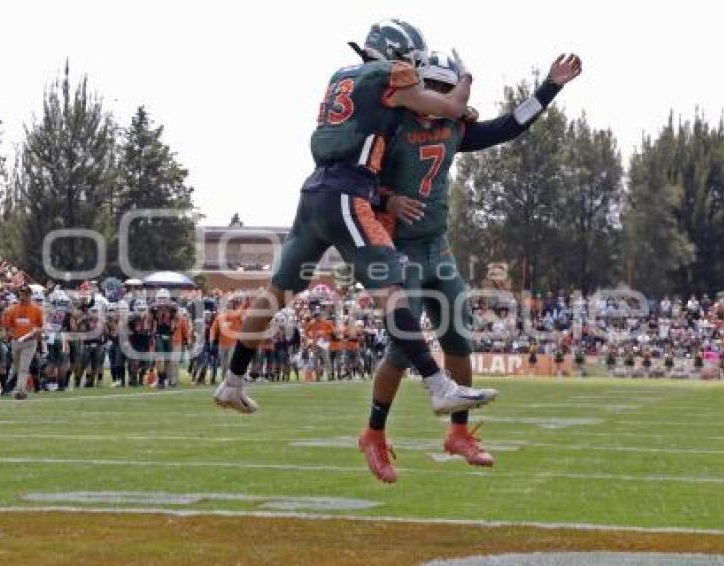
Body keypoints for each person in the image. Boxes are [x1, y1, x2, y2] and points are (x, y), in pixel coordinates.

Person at [213, 19, 498, 420]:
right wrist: (465, 79)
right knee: (393, 289)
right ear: (396, 55)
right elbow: (448, 107)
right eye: (411, 61)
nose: (414, 70)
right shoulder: (390, 75)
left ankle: (231, 381)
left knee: (276, 292)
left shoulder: (340, 77)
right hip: (349, 193)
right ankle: (439, 387)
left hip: (313, 192)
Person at [358, 50, 581, 481]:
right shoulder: (391, 124)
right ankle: (374, 432)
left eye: (446, 89)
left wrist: (550, 86)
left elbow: (512, 125)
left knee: (458, 338)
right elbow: (355, 180)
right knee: (403, 348)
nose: (440, 98)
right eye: (434, 88)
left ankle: (458, 432)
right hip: (398, 249)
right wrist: (386, 199)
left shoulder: (454, 127)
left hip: (436, 248)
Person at [1, 284, 44, 400]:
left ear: (30, 295)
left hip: (30, 342)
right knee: (16, 367)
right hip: (16, 341)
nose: (23, 296)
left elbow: (41, 326)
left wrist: (36, 332)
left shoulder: (36, 310)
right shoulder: (12, 309)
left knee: (24, 366)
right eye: (21, 294)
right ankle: (9, 386)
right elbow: (7, 326)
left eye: (26, 294)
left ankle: (20, 389)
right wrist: (10, 334)